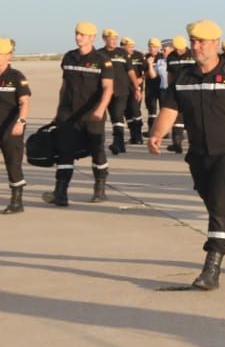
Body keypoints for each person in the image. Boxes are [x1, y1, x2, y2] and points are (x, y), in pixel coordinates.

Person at [146, 19, 225, 290]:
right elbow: (170, 108)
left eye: (201, 42)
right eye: (193, 41)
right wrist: (157, 134)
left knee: (219, 206)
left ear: (215, 44)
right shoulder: (185, 77)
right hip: (199, 154)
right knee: (218, 206)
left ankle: (211, 268)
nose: (196, 46)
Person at [43, 22, 115, 206]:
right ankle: (61, 192)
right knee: (65, 153)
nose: (78, 37)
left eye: (83, 35)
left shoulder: (102, 60)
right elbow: (64, 86)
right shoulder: (69, 57)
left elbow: (108, 88)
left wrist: (100, 109)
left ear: (92, 37)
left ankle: (100, 189)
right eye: (77, 34)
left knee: (97, 151)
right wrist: (58, 114)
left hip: (92, 115)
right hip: (68, 115)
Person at [0, 37, 29, 214]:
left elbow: (24, 102)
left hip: (11, 127)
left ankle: (17, 202)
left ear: (9, 56)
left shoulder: (16, 77)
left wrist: (21, 121)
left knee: (13, 162)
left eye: (1, 55)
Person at [100, 28, 135, 155]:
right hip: (104, 92)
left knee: (117, 116)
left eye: (115, 39)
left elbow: (131, 71)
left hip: (121, 91)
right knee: (101, 118)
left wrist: (136, 88)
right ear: (104, 39)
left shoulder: (123, 53)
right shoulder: (99, 54)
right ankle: (114, 144)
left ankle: (117, 143)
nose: (114, 41)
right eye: (111, 38)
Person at [162, 35, 196, 153]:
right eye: (176, 49)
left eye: (180, 49)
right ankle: (177, 144)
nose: (178, 51)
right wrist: (169, 88)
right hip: (176, 89)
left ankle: (194, 144)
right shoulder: (171, 57)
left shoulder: (193, 54)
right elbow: (170, 73)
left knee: (192, 117)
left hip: (192, 89)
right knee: (177, 117)